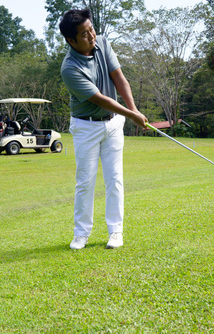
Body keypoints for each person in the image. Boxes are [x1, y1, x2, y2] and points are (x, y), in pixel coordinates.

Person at [60, 8, 148, 250]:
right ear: (71, 40)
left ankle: (115, 232)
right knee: (85, 182)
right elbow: (99, 99)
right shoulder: (69, 68)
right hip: (86, 127)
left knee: (115, 178)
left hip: (112, 123)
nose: (92, 36)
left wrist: (135, 111)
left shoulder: (103, 44)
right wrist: (132, 115)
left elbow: (119, 78)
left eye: (92, 29)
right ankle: (81, 234)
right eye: (85, 34)